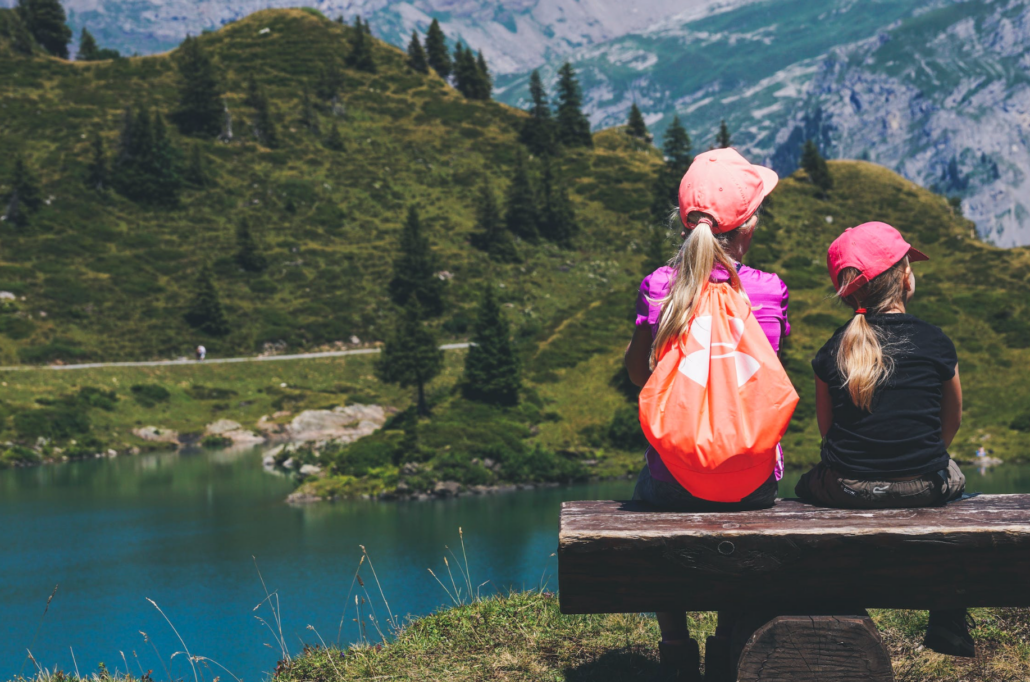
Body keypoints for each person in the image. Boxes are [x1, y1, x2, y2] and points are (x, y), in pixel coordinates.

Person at [624, 148, 790, 681]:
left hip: (672, 480)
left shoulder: (658, 287)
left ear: (683, 219)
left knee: (648, 488)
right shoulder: (767, 291)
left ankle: (676, 645)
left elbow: (637, 375)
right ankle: (725, 640)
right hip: (753, 482)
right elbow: (762, 377)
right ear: (750, 224)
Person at [795, 221, 972, 657]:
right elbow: (950, 424)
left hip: (848, 488)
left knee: (805, 485)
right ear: (905, 276)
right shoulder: (936, 342)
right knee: (954, 474)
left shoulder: (832, 348)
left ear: (849, 293)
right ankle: (948, 616)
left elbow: (827, 433)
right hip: (923, 486)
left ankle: (841, 602)